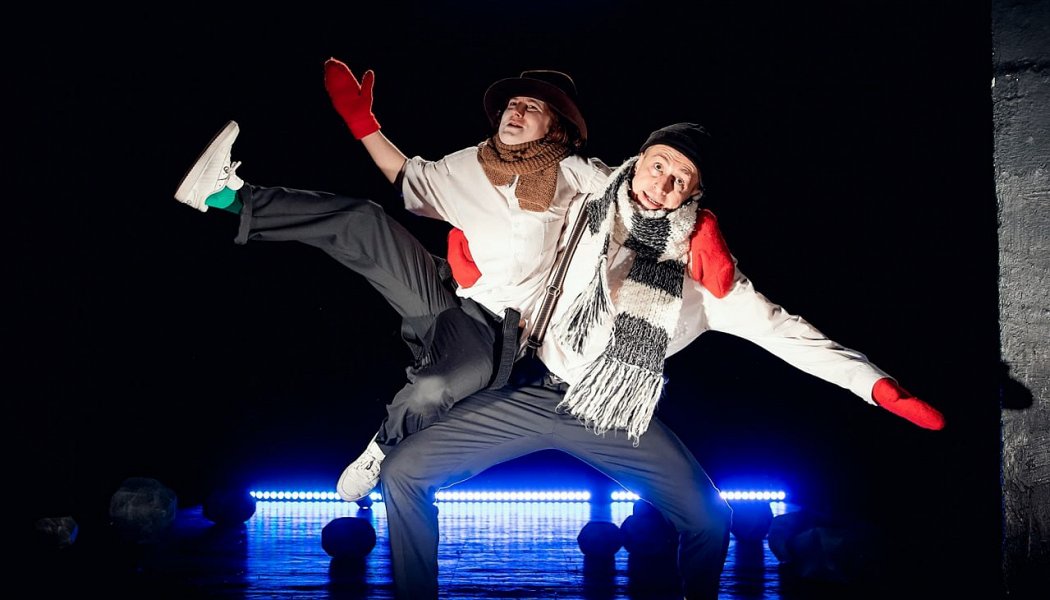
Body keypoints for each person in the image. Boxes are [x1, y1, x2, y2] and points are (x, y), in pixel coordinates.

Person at [378, 122, 946, 600]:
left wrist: (875, 385)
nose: (663, 184)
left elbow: (786, 333)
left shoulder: (703, 272)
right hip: (530, 392)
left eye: (682, 179)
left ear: (695, 194)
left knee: (709, 520)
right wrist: (476, 265)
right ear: (638, 161)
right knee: (403, 473)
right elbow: (498, 191)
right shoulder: (580, 202)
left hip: (611, 413)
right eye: (658, 166)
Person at [172, 60, 735, 503]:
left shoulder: (578, 174)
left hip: (498, 330)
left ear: (556, 127)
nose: (516, 112)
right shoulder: (468, 163)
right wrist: (362, 123)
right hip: (445, 291)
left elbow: (636, 196)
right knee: (363, 220)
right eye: (513, 104)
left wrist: (698, 227)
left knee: (439, 386)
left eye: (532, 108)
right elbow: (406, 178)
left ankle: (381, 447)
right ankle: (225, 197)